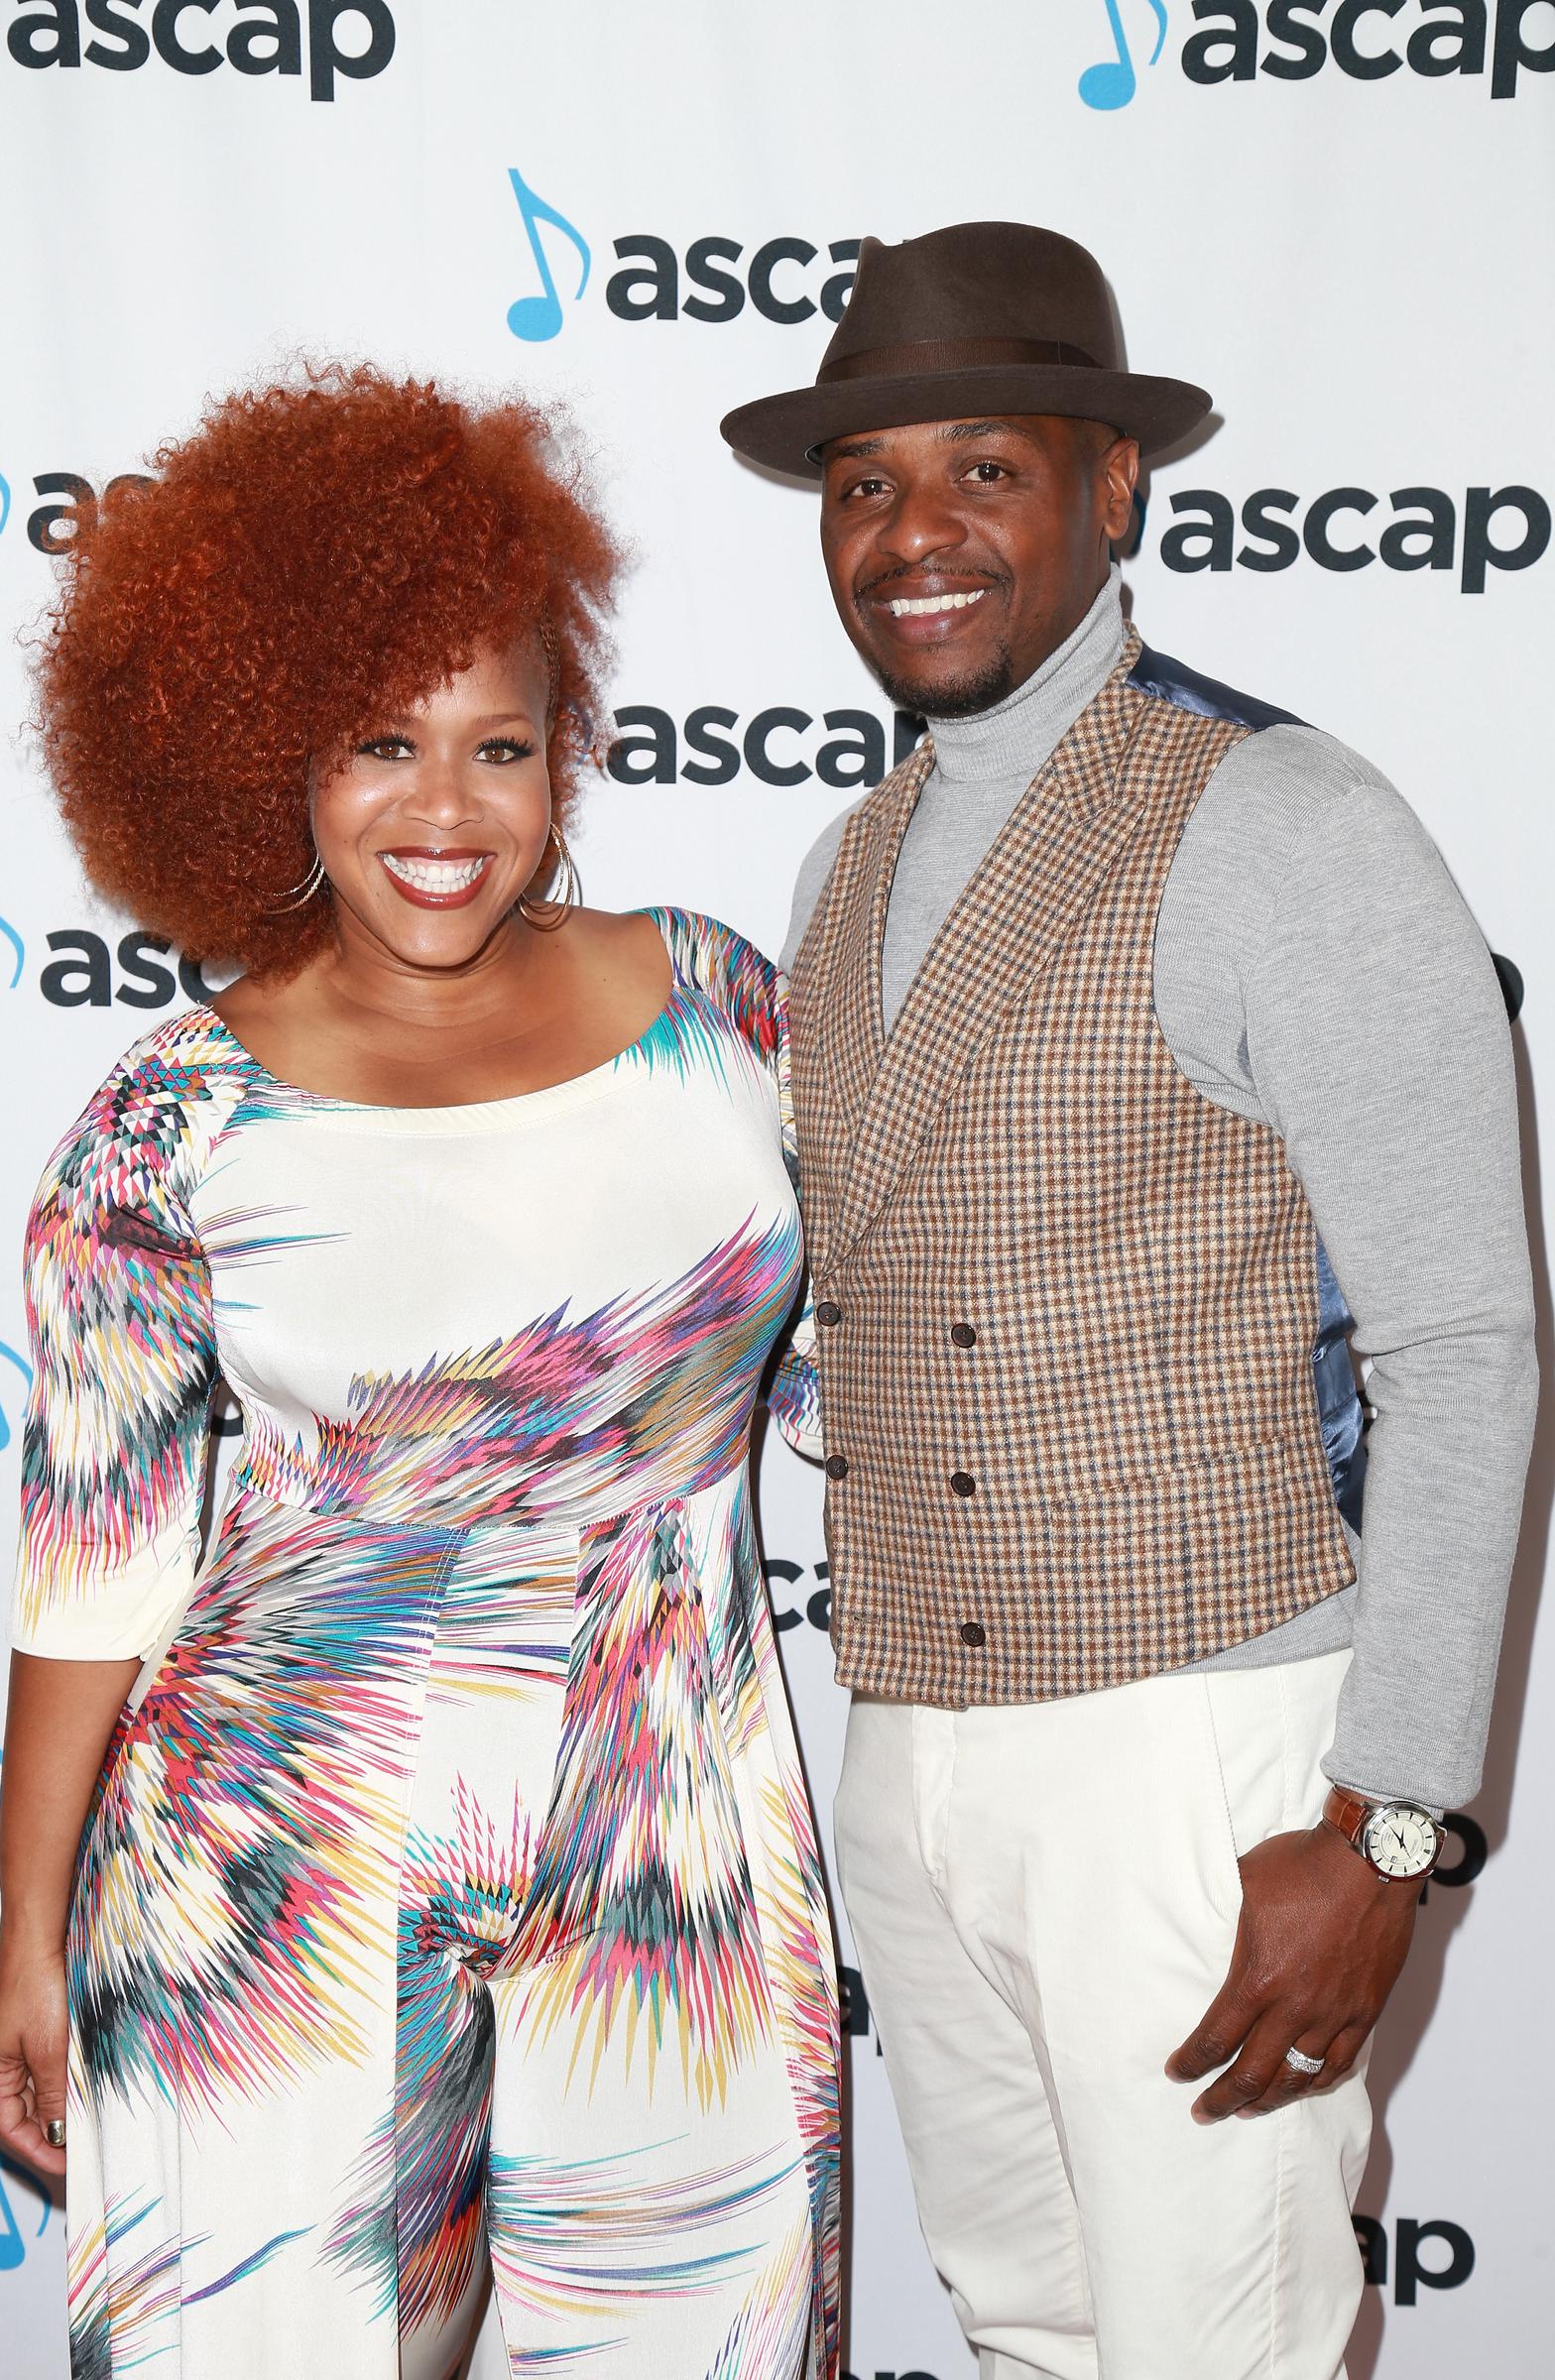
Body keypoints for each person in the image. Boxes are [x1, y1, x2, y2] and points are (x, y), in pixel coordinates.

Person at [721, 222, 1536, 2378]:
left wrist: (1386, 1826)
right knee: (1021, 2330)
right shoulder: (845, 861)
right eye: (865, 483)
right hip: (910, 1744)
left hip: (1200, 1747)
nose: (913, 536)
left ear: (1110, 488)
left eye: (981, 471)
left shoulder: (1285, 819)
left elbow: (1463, 1355)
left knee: (1214, 2348)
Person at [0, 365, 838, 2380]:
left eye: (500, 747)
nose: (443, 815)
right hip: (266, 1869)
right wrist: (26, 1934)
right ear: (270, 755)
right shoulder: (160, 1120)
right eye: (378, 745)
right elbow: (93, 1570)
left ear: (567, 755)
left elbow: (882, 1393)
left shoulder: (720, 1014)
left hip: (671, 1843)